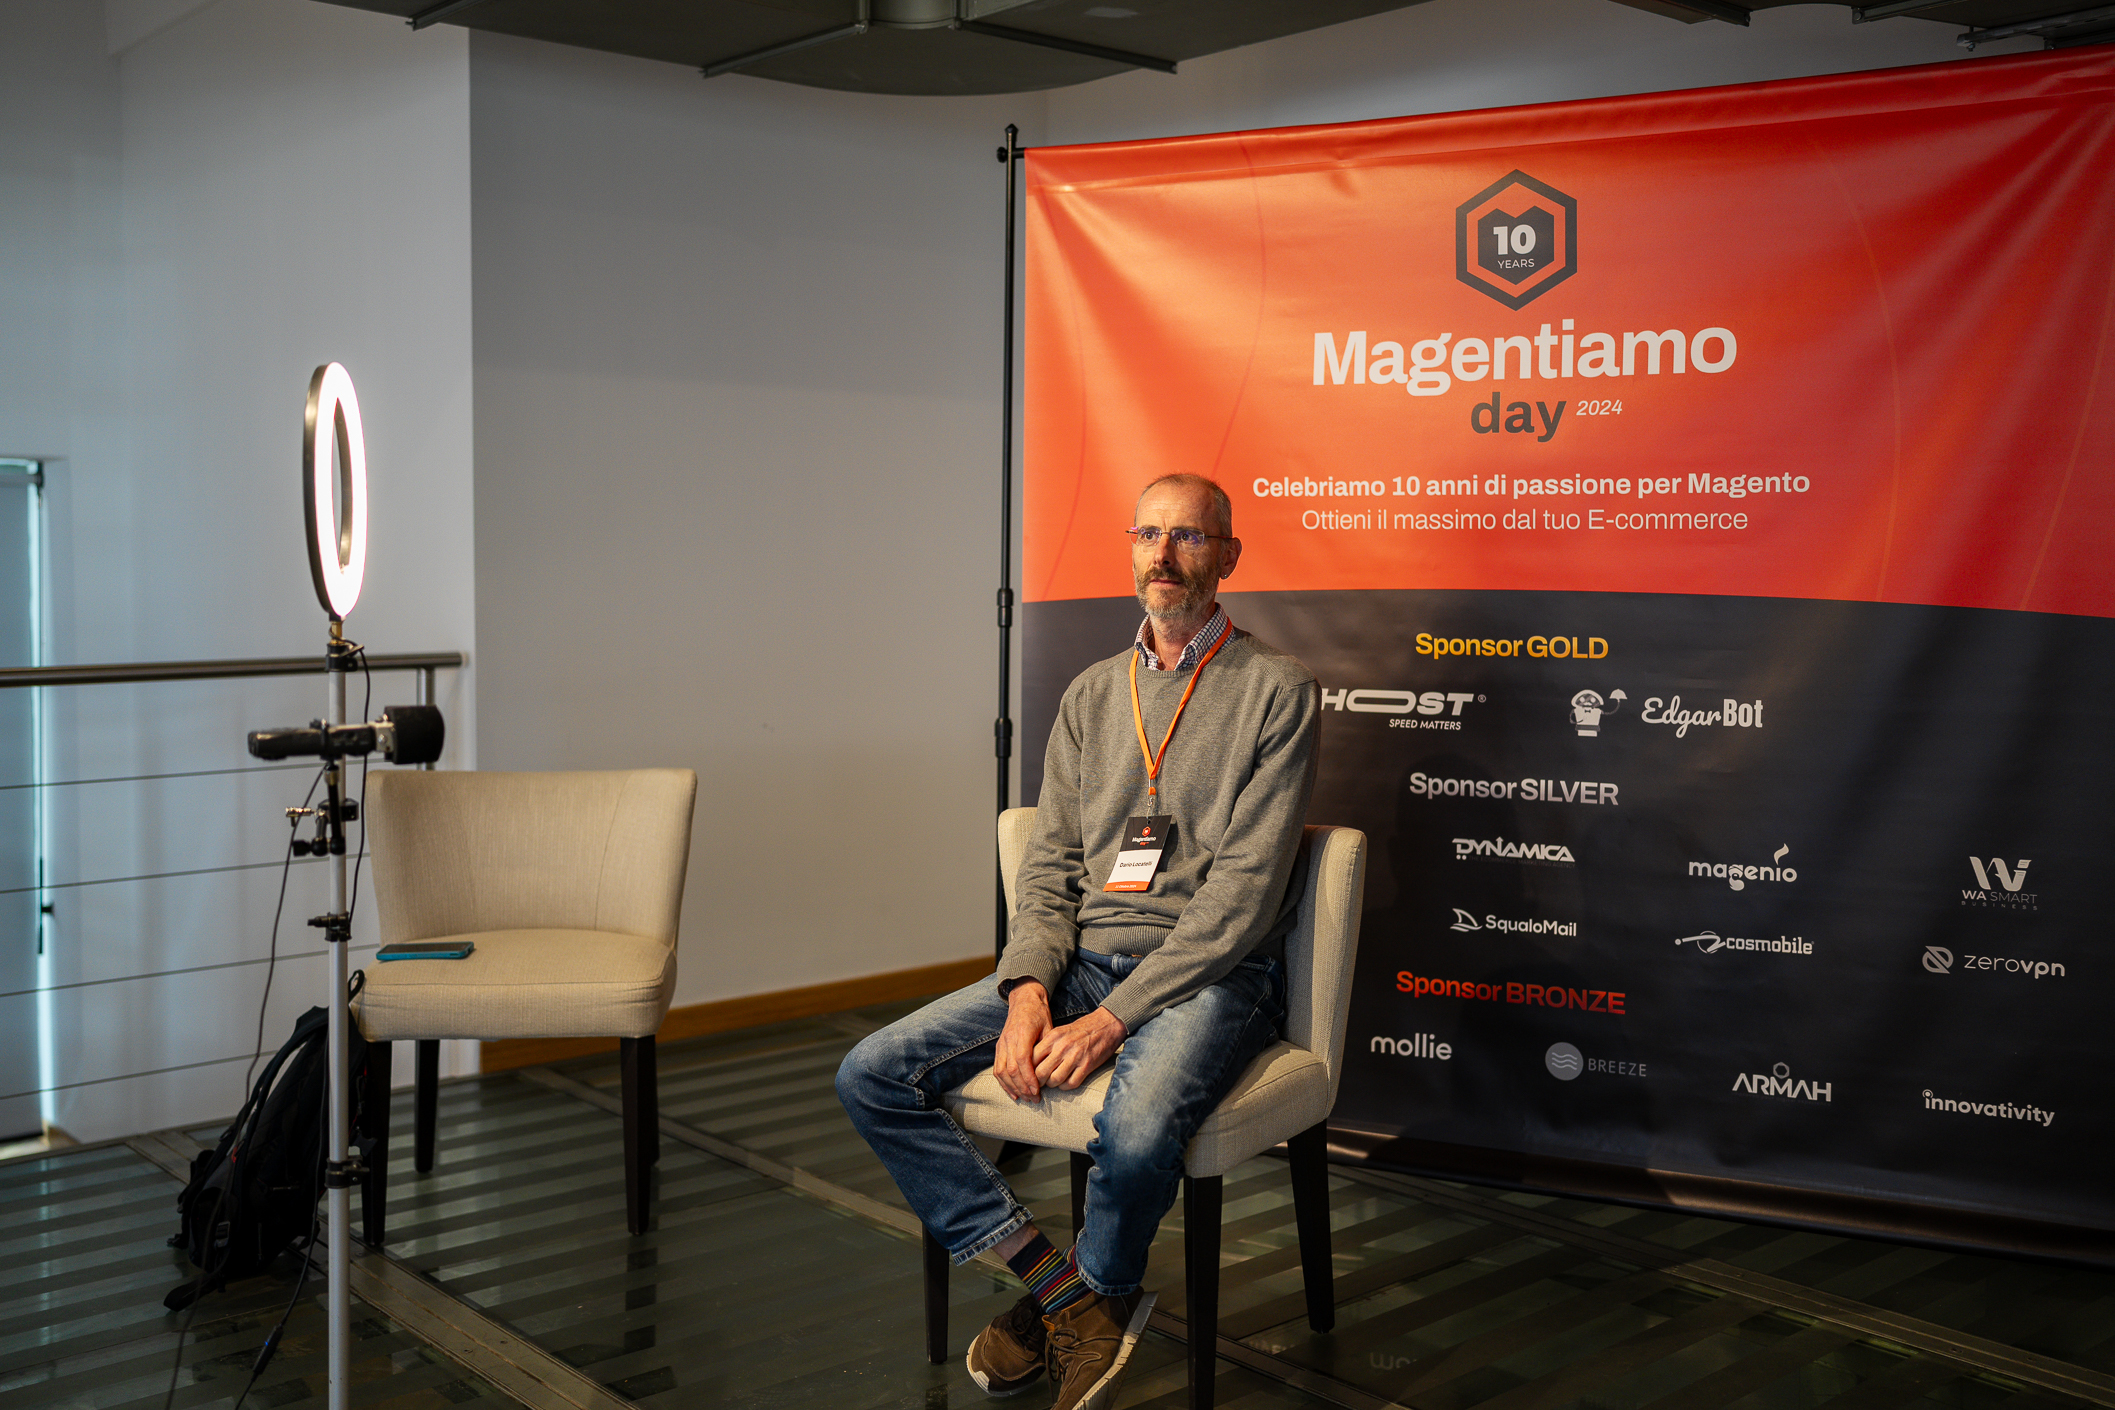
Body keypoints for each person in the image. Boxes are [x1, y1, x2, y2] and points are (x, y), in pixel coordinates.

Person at [836, 472, 1319, 1410]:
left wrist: (1110, 1020)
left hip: (1213, 977)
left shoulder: (1277, 690)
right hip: (1081, 960)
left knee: (1133, 1137)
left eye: (1187, 536)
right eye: (1147, 534)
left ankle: (1085, 1296)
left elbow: (1243, 896)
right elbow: (1050, 867)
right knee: (872, 1073)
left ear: (1227, 556)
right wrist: (1027, 989)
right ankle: (1070, 1294)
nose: (1163, 554)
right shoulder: (1094, 693)